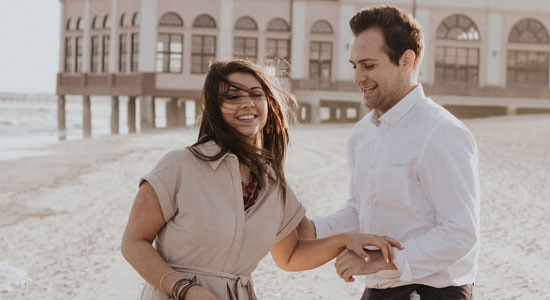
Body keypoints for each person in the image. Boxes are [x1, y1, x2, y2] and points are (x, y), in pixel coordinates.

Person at [121, 59, 402, 300]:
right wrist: (184, 289)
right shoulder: (179, 165)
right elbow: (134, 242)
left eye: (256, 94)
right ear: (214, 108)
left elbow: (290, 256)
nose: (247, 103)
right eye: (232, 96)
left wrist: (344, 240)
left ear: (268, 104)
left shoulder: (273, 185)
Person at [297, 5, 480, 300]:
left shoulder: (441, 132)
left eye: (368, 66)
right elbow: (360, 212)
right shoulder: (361, 134)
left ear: (406, 60)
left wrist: (381, 260)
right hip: (378, 290)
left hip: (433, 292)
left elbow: (461, 232)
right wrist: (310, 229)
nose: (357, 77)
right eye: (354, 65)